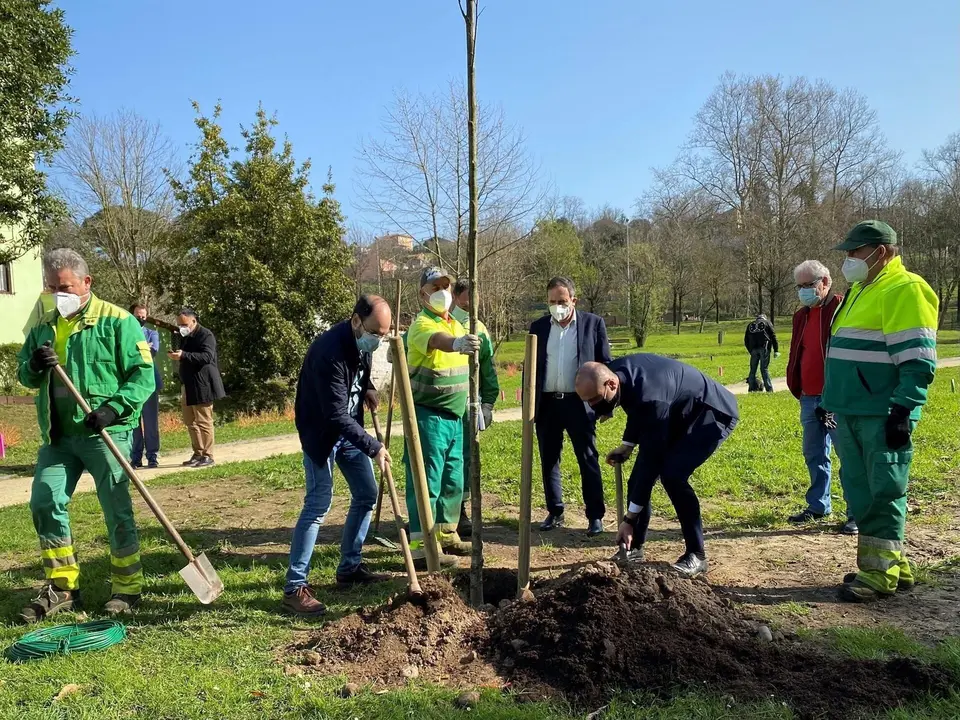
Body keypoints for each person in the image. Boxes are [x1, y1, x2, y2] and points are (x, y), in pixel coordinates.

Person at [16, 248, 155, 621]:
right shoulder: (44, 326)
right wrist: (32, 364)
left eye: (64, 286)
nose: (56, 293)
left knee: (116, 510)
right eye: (50, 287)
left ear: (86, 283)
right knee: (44, 502)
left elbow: (144, 377)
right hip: (58, 437)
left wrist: (113, 409)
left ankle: (127, 587)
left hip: (105, 434)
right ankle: (62, 587)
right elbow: (24, 375)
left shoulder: (118, 321)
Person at [822, 220, 938, 603]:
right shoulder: (860, 289)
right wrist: (829, 401)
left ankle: (878, 574)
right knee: (861, 491)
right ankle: (894, 565)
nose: (849, 260)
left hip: (881, 411)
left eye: (855, 252)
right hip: (851, 409)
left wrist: (904, 408)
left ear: (881, 251)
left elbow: (918, 358)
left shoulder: (906, 289)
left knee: (883, 492)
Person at [575, 355, 739, 578]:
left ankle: (697, 555)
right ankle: (634, 548)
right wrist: (628, 445)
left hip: (710, 414)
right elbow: (637, 408)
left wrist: (628, 519)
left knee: (673, 476)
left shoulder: (652, 398)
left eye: (595, 399)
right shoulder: (616, 373)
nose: (594, 406)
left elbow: (651, 457)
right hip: (676, 411)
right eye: (588, 402)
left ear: (610, 384)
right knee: (637, 481)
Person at [282, 295, 393, 615]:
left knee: (366, 493)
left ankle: (349, 568)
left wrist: (368, 386)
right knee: (318, 504)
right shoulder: (329, 351)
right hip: (324, 433)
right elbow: (334, 415)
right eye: (376, 333)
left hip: (349, 429)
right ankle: (294, 587)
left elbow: (359, 369)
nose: (379, 340)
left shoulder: (362, 342)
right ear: (356, 321)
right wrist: (373, 446)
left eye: (384, 335)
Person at [403, 267, 480, 569]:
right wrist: (457, 344)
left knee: (453, 477)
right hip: (428, 414)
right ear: (422, 293)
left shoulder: (455, 324)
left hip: (455, 414)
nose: (441, 292)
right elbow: (437, 341)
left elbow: (468, 344)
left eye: (445, 286)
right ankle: (423, 544)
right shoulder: (422, 324)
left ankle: (447, 532)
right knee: (427, 478)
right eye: (434, 287)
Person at [530, 276, 612, 536]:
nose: (558, 306)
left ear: (573, 300)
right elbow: (531, 368)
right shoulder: (538, 327)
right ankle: (555, 510)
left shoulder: (592, 324)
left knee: (588, 459)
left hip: (580, 404)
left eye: (562, 301)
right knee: (549, 459)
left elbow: (605, 365)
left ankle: (595, 516)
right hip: (548, 404)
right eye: (553, 302)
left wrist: (606, 404)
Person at [784, 262, 857, 535]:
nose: (803, 291)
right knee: (814, 453)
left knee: (847, 455)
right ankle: (818, 505)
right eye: (799, 286)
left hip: (837, 398)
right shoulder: (801, 316)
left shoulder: (842, 309)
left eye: (808, 285)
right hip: (809, 396)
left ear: (825, 281)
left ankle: (855, 513)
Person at [451, 277, 500, 537]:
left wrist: (489, 402)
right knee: (447, 461)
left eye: (476, 297)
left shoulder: (479, 327)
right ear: (458, 296)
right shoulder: (443, 323)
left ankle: (460, 511)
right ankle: (441, 515)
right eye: (468, 297)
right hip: (445, 404)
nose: (472, 303)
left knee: (467, 459)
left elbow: (488, 368)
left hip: (470, 403)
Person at [168, 308, 224, 468]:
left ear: (194, 321)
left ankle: (208, 455)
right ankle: (198, 453)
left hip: (202, 384)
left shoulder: (206, 335)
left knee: (204, 421)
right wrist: (177, 354)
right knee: (190, 421)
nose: (181, 327)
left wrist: (184, 355)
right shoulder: (184, 336)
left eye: (184, 324)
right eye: (179, 324)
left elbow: (207, 357)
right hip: (188, 384)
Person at [129, 304, 162, 469]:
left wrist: (137, 349)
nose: (140, 318)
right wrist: (144, 347)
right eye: (137, 315)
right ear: (131, 315)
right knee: (133, 423)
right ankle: (135, 457)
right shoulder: (126, 333)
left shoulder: (152, 333)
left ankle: (152, 456)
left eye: (143, 316)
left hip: (149, 383)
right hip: (131, 383)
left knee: (151, 423)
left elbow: (154, 350)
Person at [744, 314, 779, 392]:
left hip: (753, 350)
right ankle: (769, 389)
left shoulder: (750, 325)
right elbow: (773, 336)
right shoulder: (767, 323)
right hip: (764, 348)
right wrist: (776, 350)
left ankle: (751, 389)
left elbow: (746, 340)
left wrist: (750, 350)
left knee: (753, 370)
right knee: (764, 369)